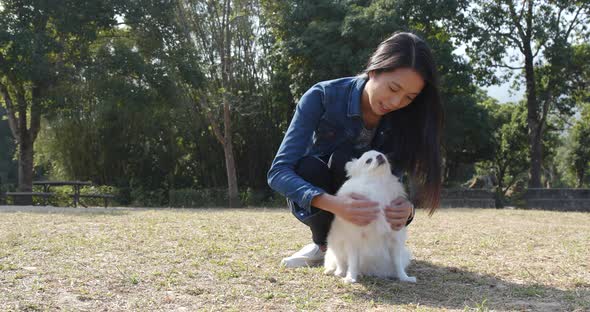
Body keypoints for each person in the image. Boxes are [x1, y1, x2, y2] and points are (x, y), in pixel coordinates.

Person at [267, 31, 443, 268]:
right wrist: (334, 203)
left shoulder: (405, 118)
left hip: (372, 217)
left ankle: (369, 249)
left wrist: (407, 209)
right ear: (374, 70)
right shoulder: (322, 97)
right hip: (325, 195)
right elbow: (279, 173)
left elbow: (395, 182)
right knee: (313, 165)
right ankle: (324, 245)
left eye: (409, 97)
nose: (396, 103)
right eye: (393, 88)